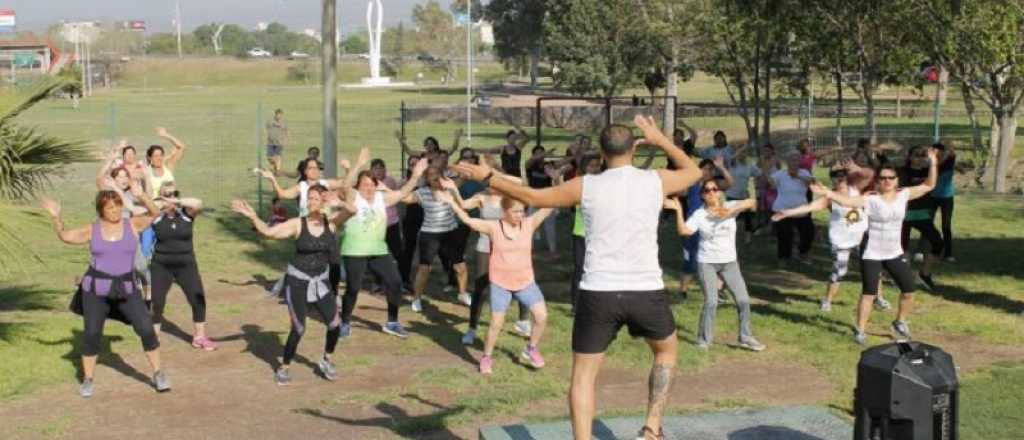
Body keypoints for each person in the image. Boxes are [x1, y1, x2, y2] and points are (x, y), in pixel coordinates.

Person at [451, 115, 702, 440]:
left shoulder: (587, 184)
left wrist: (489, 176)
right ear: (634, 149)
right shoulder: (654, 180)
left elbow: (534, 198)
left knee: (583, 377)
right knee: (666, 352)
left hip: (598, 292)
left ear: (601, 151)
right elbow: (694, 173)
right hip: (645, 290)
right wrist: (661, 140)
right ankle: (652, 430)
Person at [41, 182, 170, 397]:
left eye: (118, 206)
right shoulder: (92, 229)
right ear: (101, 210)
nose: (116, 211)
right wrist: (55, 215)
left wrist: (142, 196)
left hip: (127, 288)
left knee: (146, 329)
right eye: (110, 208)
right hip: (96, 290)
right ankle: (88, 379)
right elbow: (65, 236)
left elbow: (156, 214)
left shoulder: (132, 225)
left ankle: (158, 373)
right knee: (92, 334)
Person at [810, 147, 938, 345]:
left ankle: (900, 321)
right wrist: (828, 192)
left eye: (891, 178)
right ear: (878, 181)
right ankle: (860, 329)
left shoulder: (904, 195)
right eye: (883, 178)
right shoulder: (871, 199)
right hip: (872, 253)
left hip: (894, 252)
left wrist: (933, 162)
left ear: (897, 180)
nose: (887, 181)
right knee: (869, 294)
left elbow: (929, 185)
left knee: (909, 291)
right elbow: (847, 200)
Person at [231, 184, 350, 385]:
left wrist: (339, 201)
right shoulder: (297, 224)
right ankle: (284, 367)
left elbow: (352, 210)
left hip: (320, 281)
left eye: (315, 198)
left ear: (323, 201)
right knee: (299, 328)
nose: (311, 201)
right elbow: (269, 232)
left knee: (334, 324)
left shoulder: (331, 225)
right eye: (309, 198)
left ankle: (327, 359)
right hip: (297, 282)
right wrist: (252, 216)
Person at [439, 192, 552, 374]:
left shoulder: (529, 225)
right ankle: (486, 357)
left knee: (541, 316)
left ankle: (530, 349)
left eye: (522, 212)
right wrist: (452, 202)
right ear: (505, 211)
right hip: (501, 283)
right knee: (496, 324)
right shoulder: (493, 227)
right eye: (515, 212)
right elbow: (468, 221)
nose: (520, 216)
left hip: (525, 282)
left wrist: (559, 185)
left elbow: (547, 208)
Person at [337, 150, 428, 339]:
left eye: (372, 185)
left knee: (395, 282)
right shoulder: (354, 197)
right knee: (353, 288)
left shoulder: (382, 198)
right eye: (364, 184)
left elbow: (403, 192)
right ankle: (345, 323)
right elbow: (345, 185)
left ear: (377, 185)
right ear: (359, 186)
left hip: (378, 250)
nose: (368, 188)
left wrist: (416, 175)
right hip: (355, 251)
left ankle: (392, 322)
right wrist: (359, 164)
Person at [665, 182, 765, 351]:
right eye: (707, 190)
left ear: (719, 193)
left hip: (730, 263)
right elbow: (684, 231)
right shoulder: (699, 215)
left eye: (714, 189)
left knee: (743, 300)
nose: (711, 192)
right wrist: (678, 210)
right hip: (707, 263)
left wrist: (730, 211)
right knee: (711, 301)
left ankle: (745, 337)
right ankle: (704, 340)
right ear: (702, 195)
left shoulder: (730, 205)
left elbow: (752, 202)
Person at [445, 172, 533, 345]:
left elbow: (521, 181)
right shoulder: (481, 197)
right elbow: (463, 204)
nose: (488, 186)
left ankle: (523, 321)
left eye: (490, 182)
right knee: (481, 288)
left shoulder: (510, 197)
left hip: (508, 246)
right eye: (485, 182)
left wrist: (496, 174)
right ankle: (472, 329)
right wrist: (453, 189)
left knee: (520, 282)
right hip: (485, 246)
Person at [772, 166, 870, 312]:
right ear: (832, 180)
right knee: (839, 272)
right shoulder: (829, 198)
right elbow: (810, 207)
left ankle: (877, 298)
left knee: (872, 268)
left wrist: (856, 166)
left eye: (843, 175)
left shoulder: (856, 189)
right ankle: (827, 300)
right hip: (841, 240)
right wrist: (787, 213)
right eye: (836, 176)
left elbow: (868, 175)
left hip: (861, 236)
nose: (840, 178)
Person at [148, 182, 217, 351]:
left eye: (173, 194)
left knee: (198, 298)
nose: (170, 197)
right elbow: (141, 205)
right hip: (161, 265)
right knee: (157, 302)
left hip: (186, 265)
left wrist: (176, 201)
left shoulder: (186, 214)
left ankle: (199, 337)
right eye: (166, 194)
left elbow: (198, 203)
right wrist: (161, 203)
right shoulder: (156, 216)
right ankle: (153, 338)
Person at [405, 166, 469, 312]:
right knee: (425, 268)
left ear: (442, 176)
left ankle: (463, 293)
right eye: (431, 175)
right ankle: (416, 299)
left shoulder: (450, 188)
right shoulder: (422, 192)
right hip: (430, 234)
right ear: (427, 179)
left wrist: (460, 168)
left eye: (437, 174)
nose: (434, 177)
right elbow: (405, 198)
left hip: (450, 232)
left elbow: (464, 176)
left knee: (460, 267)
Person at [680, 158, 733, 298]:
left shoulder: (715, 184)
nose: (707, 171)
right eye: (705, 168)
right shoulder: (692, 184)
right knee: (690, 259)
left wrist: (721, 167)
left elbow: (730, 183)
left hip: (711, 226)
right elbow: (680, 192)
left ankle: (718, 290)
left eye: (711, 169)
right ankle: (683, 290)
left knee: (714, 256)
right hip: (692, 227)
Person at [898, 145, 942, 291]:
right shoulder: (902, 172)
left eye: (922, 155)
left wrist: (934, 159)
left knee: (938, 242)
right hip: (904, 214)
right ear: (909, 157)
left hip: (922, 214)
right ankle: (902, 277)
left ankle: (925, 274)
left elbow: (939, 171)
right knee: (901, 248)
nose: (920, 158)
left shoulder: (927, 171)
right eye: (916, 155)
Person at [570, 154, 602, 313]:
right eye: (592, 165)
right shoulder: (578, 184)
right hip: (581, 234)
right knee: (580, 269)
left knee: (597, 269)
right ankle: (575, 305)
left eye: (597, 165)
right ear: (584, 167)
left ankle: (596, 302)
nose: (595, 168)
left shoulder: (604, 183)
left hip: (599, 234)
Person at [770, 152, 816, 263]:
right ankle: (784, 257)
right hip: (783, 209)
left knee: (809, 232)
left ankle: (802, 253)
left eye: (796, 160)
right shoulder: (780, 174)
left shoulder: (804, 172)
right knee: (784, 235)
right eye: (792, 159)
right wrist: (768, 168)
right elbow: (772, 184)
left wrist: (797, 176)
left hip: (801, 210)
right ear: (787, 162)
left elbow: (811, 183)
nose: (794, 162)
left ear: (800, 161)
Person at [525, 145, 560, 256]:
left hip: (548, 200)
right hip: (534, 200)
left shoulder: (548, 166)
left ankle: (552, 250)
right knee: (531, 225)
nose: (540, 155)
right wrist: (546, 153)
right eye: (537, 153)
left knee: (550, 226)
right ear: (533, 155)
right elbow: (531, 161)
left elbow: (557, 178)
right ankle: (529, 251)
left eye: (542, 153)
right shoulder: (529, 165)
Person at [724, 148, 761, 244]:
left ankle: (747, 236)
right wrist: (742, 148)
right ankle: (728, 237)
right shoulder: (732, 164)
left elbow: (760, 174)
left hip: (744, 195)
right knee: (731, 217)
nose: (742, 155)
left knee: (747, 217)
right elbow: (730, 158)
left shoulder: (750, 166)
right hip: (731, 195)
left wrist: (758, 187)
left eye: (744, 153)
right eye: (740, 153)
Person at [929, 142, 956, 262]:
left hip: (947, 197)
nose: (935, 154)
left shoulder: (948, 161)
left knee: (946, 225)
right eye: (934, 151)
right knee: (927, 224)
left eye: (937, 152)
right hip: (932, 197)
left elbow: (951, 152)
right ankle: (922, 250)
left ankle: (948, 253)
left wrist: (946, 149)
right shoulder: (930, 164)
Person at [144, 127, 188, 200]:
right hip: (156, 204)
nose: (159, 158)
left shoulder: (168, 167)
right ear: (150, 157)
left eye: (161, 155)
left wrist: (166, 135)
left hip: (172, 201)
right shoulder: (146, 171)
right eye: (156, 156)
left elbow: (182, 147)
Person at [265, 109, 289, 176]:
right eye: (277, 114)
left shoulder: (283, 123)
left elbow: (286, 131)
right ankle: (275, 166)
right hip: (270, 142)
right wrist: (265, 138)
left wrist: (286, 140)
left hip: (279, 143)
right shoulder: (270, 122)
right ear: (275, 114)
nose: (278, 116)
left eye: (280, 115)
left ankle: (277, 171)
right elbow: (266, 130)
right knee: (269, 158)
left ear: (282, 115)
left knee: (278, 156)